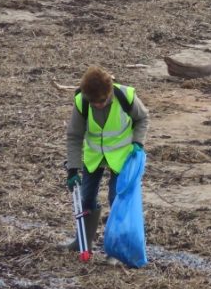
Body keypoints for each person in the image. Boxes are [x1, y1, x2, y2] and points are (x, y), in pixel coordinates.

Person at [63, 66, 149, 255]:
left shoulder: (125, 96)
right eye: (93, 102)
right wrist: (72, 170)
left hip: (121, 156)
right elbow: (74, 136)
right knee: (86, 198)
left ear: (109, 92)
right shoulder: (82, 102)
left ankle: (118, 249)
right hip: (94, 157)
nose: (97, 105)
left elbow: (142, 118)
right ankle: (82, 241)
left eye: (101, 101)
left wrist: (138, 143)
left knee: (116, 199)